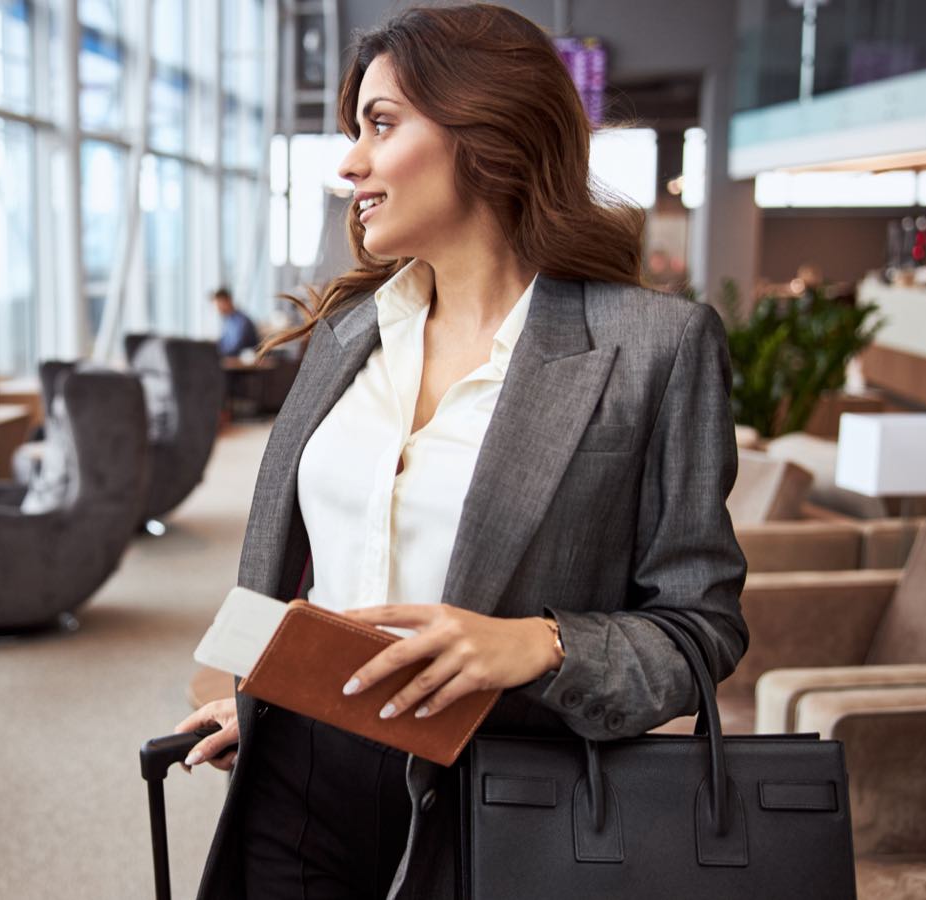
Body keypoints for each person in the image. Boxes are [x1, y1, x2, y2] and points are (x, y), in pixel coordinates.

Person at [174, 5, 747, 899]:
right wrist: (268, 697)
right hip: (297, 776)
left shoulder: (655, 349)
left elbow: (700, 628)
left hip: (502, 797)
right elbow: (302, 572)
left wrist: (540, 645)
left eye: (381, 123)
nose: (349, 162)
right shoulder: (346, 335)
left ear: (487, 130)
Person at [213, 287, 261, 358]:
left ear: (228, 300)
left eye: (219, 304)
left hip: (244, 362)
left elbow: (236, 347)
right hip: (231, 360)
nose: (218, 309)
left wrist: (220, 352)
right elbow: (222, 344)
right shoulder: (228, 321)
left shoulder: (242, 321)